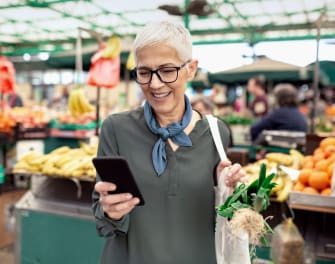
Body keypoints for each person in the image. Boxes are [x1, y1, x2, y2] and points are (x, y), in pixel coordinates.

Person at [92, 21, 246, 264]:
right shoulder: (116, 129)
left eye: (166, 70)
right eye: (144, 72)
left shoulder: (217, 133)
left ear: (191, 69)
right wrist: (110, 211)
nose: (154, 84)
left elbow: (225, 217)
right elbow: (103, 222)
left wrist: (232, 192)